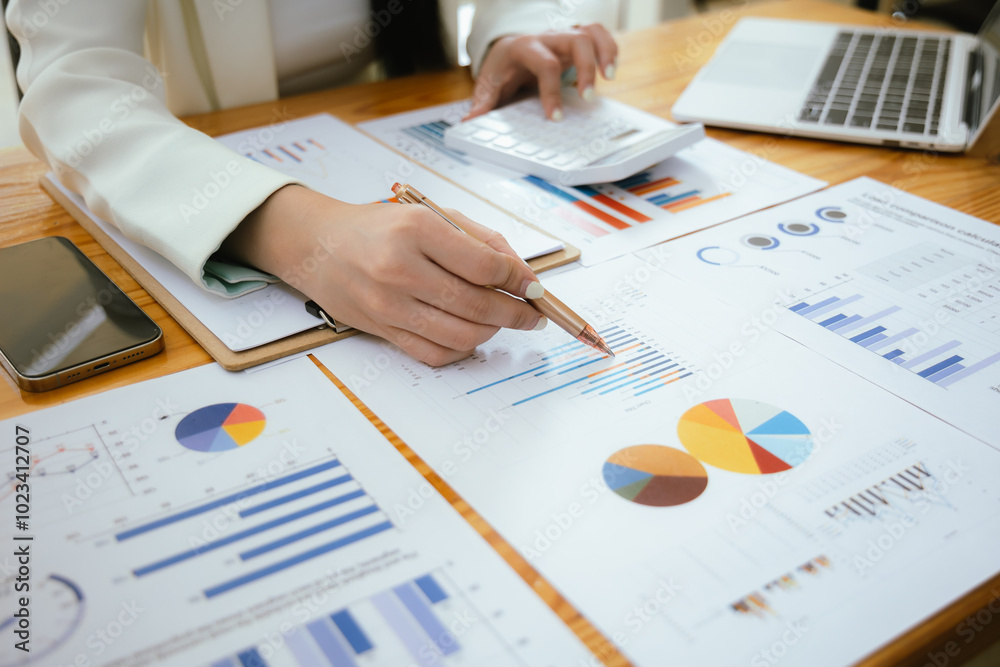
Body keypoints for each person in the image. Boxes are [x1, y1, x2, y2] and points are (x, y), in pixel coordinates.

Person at [6, 0, 618, 366]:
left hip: (396, 102)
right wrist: (290, 231)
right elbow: (71, 85)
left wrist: (518, 28)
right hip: (200, 140)